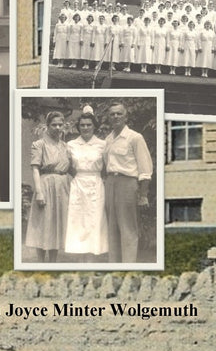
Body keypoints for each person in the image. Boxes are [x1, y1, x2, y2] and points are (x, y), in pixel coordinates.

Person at [103, 102, 153, 264]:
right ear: (108, 118)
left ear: (126, 116)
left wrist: (143, 195)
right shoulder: (108, 139)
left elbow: (145, 169)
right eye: (112, 114)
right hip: (110, 183)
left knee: (128, 228)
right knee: (112, 228)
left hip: (128, 184)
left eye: (119, 114)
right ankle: (114, 266)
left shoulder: (135, 138)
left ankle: (129, 265)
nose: (116, 117)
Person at [25, 111, 71, 263]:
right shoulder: (39, 144)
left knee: (56, 224)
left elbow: (72, 168)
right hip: (45, 185)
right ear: (47, 125)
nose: (57, 128)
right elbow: (35, 169)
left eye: (60, 124)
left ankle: (53, 263)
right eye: (54, 125)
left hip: (61, 187)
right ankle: (40, 263)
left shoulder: (65, 146)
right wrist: (39, 192)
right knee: (43, 223)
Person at [64, 108, 108, 259]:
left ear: (94, 126)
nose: (85, 128)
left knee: (94, 221)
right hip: (77, 185)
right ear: (78, 127)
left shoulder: (102, 144)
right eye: (82, 125)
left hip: (96, 184)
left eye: (88, 124)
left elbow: (108, 166)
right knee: (78, 221)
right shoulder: (71, 145)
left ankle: (91, 260)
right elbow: (66, 165)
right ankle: (79, 261)